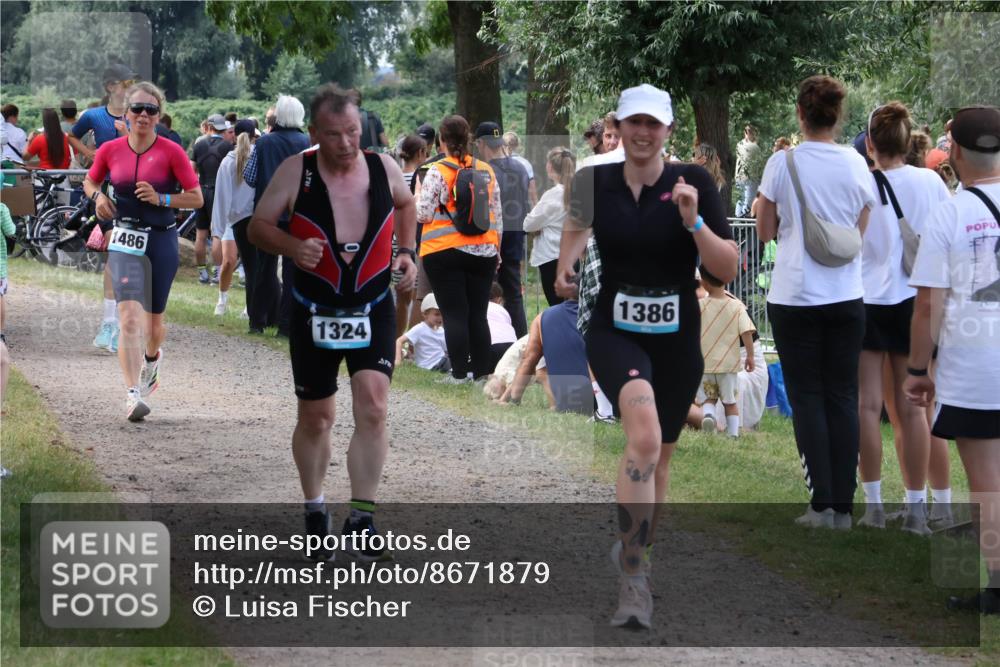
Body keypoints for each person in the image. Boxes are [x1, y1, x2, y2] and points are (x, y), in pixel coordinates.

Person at [556, 83, 737, 629]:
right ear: (617, 125)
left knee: (660, 460)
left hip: (678, 338)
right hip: (614, 330)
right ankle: (632, 582)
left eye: (652, 124)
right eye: (633, 122)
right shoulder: (593, 180)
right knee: (644, 438)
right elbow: (576, 225)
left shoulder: (694, 182)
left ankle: (639, 554)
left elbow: (727, 269)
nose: (642, 132)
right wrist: (566, 265)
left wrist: (694, 222)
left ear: (668, 131)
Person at [248, 83, 417, 563]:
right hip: (313, 308)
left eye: (353, 132)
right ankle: (315, 509)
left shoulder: (383, 167)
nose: (345, 143)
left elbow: (406, 204)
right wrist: (292, 247)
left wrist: (407, 253)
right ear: (314, 133)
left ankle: (362, 519)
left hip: (371, 304)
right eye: (334, 134)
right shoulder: (295, 170)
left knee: (374, 406)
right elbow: (258, 226)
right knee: (316, 417)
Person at [756, 75, 876, 530]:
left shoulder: (782, 163)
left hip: (796, 294)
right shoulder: (855, 162)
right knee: (843, 396)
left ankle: (821, 504)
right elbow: (861, 224)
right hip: (847, 293)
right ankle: (843, 507)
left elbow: (764, 231)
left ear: (800, 114)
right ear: (838, 115)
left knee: (807, 397)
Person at [904, 105, 1000, 615]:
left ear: (954, 151)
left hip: (977, 369)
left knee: (987, 479)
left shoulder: (950, 213)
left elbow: (927, 305)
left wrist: (918, 370)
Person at [856, 102, 953, 533]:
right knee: (916, 410)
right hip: (916, 300)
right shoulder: (929, 182)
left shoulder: (860, 182)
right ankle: (919, 510)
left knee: (867, 406)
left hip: (865, 298)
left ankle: (874, 506)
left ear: (870, 144)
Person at [82, 82, 204, 421]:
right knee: (129, 318)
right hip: (125, 239)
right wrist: (98, 197)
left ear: (158, 116)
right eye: (137, 109)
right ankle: (132, 394)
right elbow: (90, 181)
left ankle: (153, 357)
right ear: (126, 113)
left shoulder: (171, 152)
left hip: (161, 239)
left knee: (153, 325)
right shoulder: (110, 149)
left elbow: (197, 198)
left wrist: (162, 198)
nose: (143, 115)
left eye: (151, 110)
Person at [416, 115, 502, 383]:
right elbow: (497, 216)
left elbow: (423, 214)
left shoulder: (437, 171)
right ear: (469, 140)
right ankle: (482, 373)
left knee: (454, 313)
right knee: (478, 314)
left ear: (441, 140)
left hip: (444, 252)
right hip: (484, 253)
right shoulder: (486, 171)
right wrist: (496, 250)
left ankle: (459, 374)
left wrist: (417, 197)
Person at [72, 64, 135, 355]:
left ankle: (120, 323)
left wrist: (128, 133)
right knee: (115, 251)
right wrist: (89, 153)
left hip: (132, 192)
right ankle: (109, 323)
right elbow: (72, 135)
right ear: (111, 87)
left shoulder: (137, 115)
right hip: (105, 192)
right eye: (125, 83)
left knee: (127, 256)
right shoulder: (94, 116)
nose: (130, 88)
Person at [243, 95, 311, 336]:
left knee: (264, 269)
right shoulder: (308, 143)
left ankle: (257, 321)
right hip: (298, 216)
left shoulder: (264, 143)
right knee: (293, 272)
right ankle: (286, 325)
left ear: (278, 116)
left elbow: (250, 177)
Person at [476, 121, 529, 337]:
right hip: (515, 238)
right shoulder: (521, 168)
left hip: (491, 238)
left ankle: (493, 338)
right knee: (514, 293)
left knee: (488, 292)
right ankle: (520, 340)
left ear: (481, 143)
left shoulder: (484, 172)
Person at [696, 266, 756, 438]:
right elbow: (746, 332)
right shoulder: (736, 306)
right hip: (728, 365)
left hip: (705, 363)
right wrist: (750, 356)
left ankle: (709, 415)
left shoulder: (699, 306)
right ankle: (733, 434)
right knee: (730, 402)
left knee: (708, 398)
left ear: (704, 283)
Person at [211, 119, 256, 316]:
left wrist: (217, 230)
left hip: (248, 218)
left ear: (234, 135)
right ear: (253, 136)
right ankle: (222, 299)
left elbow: (221, 196)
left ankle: (248, 306)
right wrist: (219, 229)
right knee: (232, 261)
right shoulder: (229, 161)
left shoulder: (254, 158)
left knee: (240, 263)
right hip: (235, 219)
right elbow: (223, 196)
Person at [524, 147, 575, 306]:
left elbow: (528, 224)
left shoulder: (554, 194)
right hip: (573, 256)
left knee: (558, 307)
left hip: (553, 259)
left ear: (550, 167)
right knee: (572, 306)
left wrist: (540, 225)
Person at [193, 114, 235, 284]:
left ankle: (202, 272)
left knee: (200, 235)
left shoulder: (198, 145)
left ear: (209, 127)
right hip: (219, 192)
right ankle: (218, 273)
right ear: (222, 128)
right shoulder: (227, 146)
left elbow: (191, 170)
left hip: (201, 190)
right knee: (218, 234)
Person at [395, 134, 429, 336]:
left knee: (401, 297)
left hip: (395, 242)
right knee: (417, 297)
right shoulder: (422, 178)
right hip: (415, 242)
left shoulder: (394, 178)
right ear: (420, 153)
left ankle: (396, 338)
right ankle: (411, 341)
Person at [395, 293, 449, 372]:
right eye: (437, 314)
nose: (440, 317)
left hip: (442, 362)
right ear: (425, 314)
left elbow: (447, 350)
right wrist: (398, 360)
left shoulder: (441, 330)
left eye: (442, 314)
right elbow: (399, 341)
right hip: (432, 365)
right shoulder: (420, 329)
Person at [503, 131, 539, 206]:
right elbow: (532, 191)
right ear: (517, 145)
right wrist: (536, 207)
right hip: (522, 206)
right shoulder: (526, 163)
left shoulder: (499, 163)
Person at [487, 282, 517, 369]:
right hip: (512, 346)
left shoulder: (479, 308)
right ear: (499, 299)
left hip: (492, 345)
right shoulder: (502, 310)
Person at [735, 125, 761, 217]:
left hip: (739, 177)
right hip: (750, 178)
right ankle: (745, 220)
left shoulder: (739, 144)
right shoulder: (754, 147)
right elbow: (758, 161)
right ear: (752, 134)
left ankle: (738, 219)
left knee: (740, 200)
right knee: (749, 201)